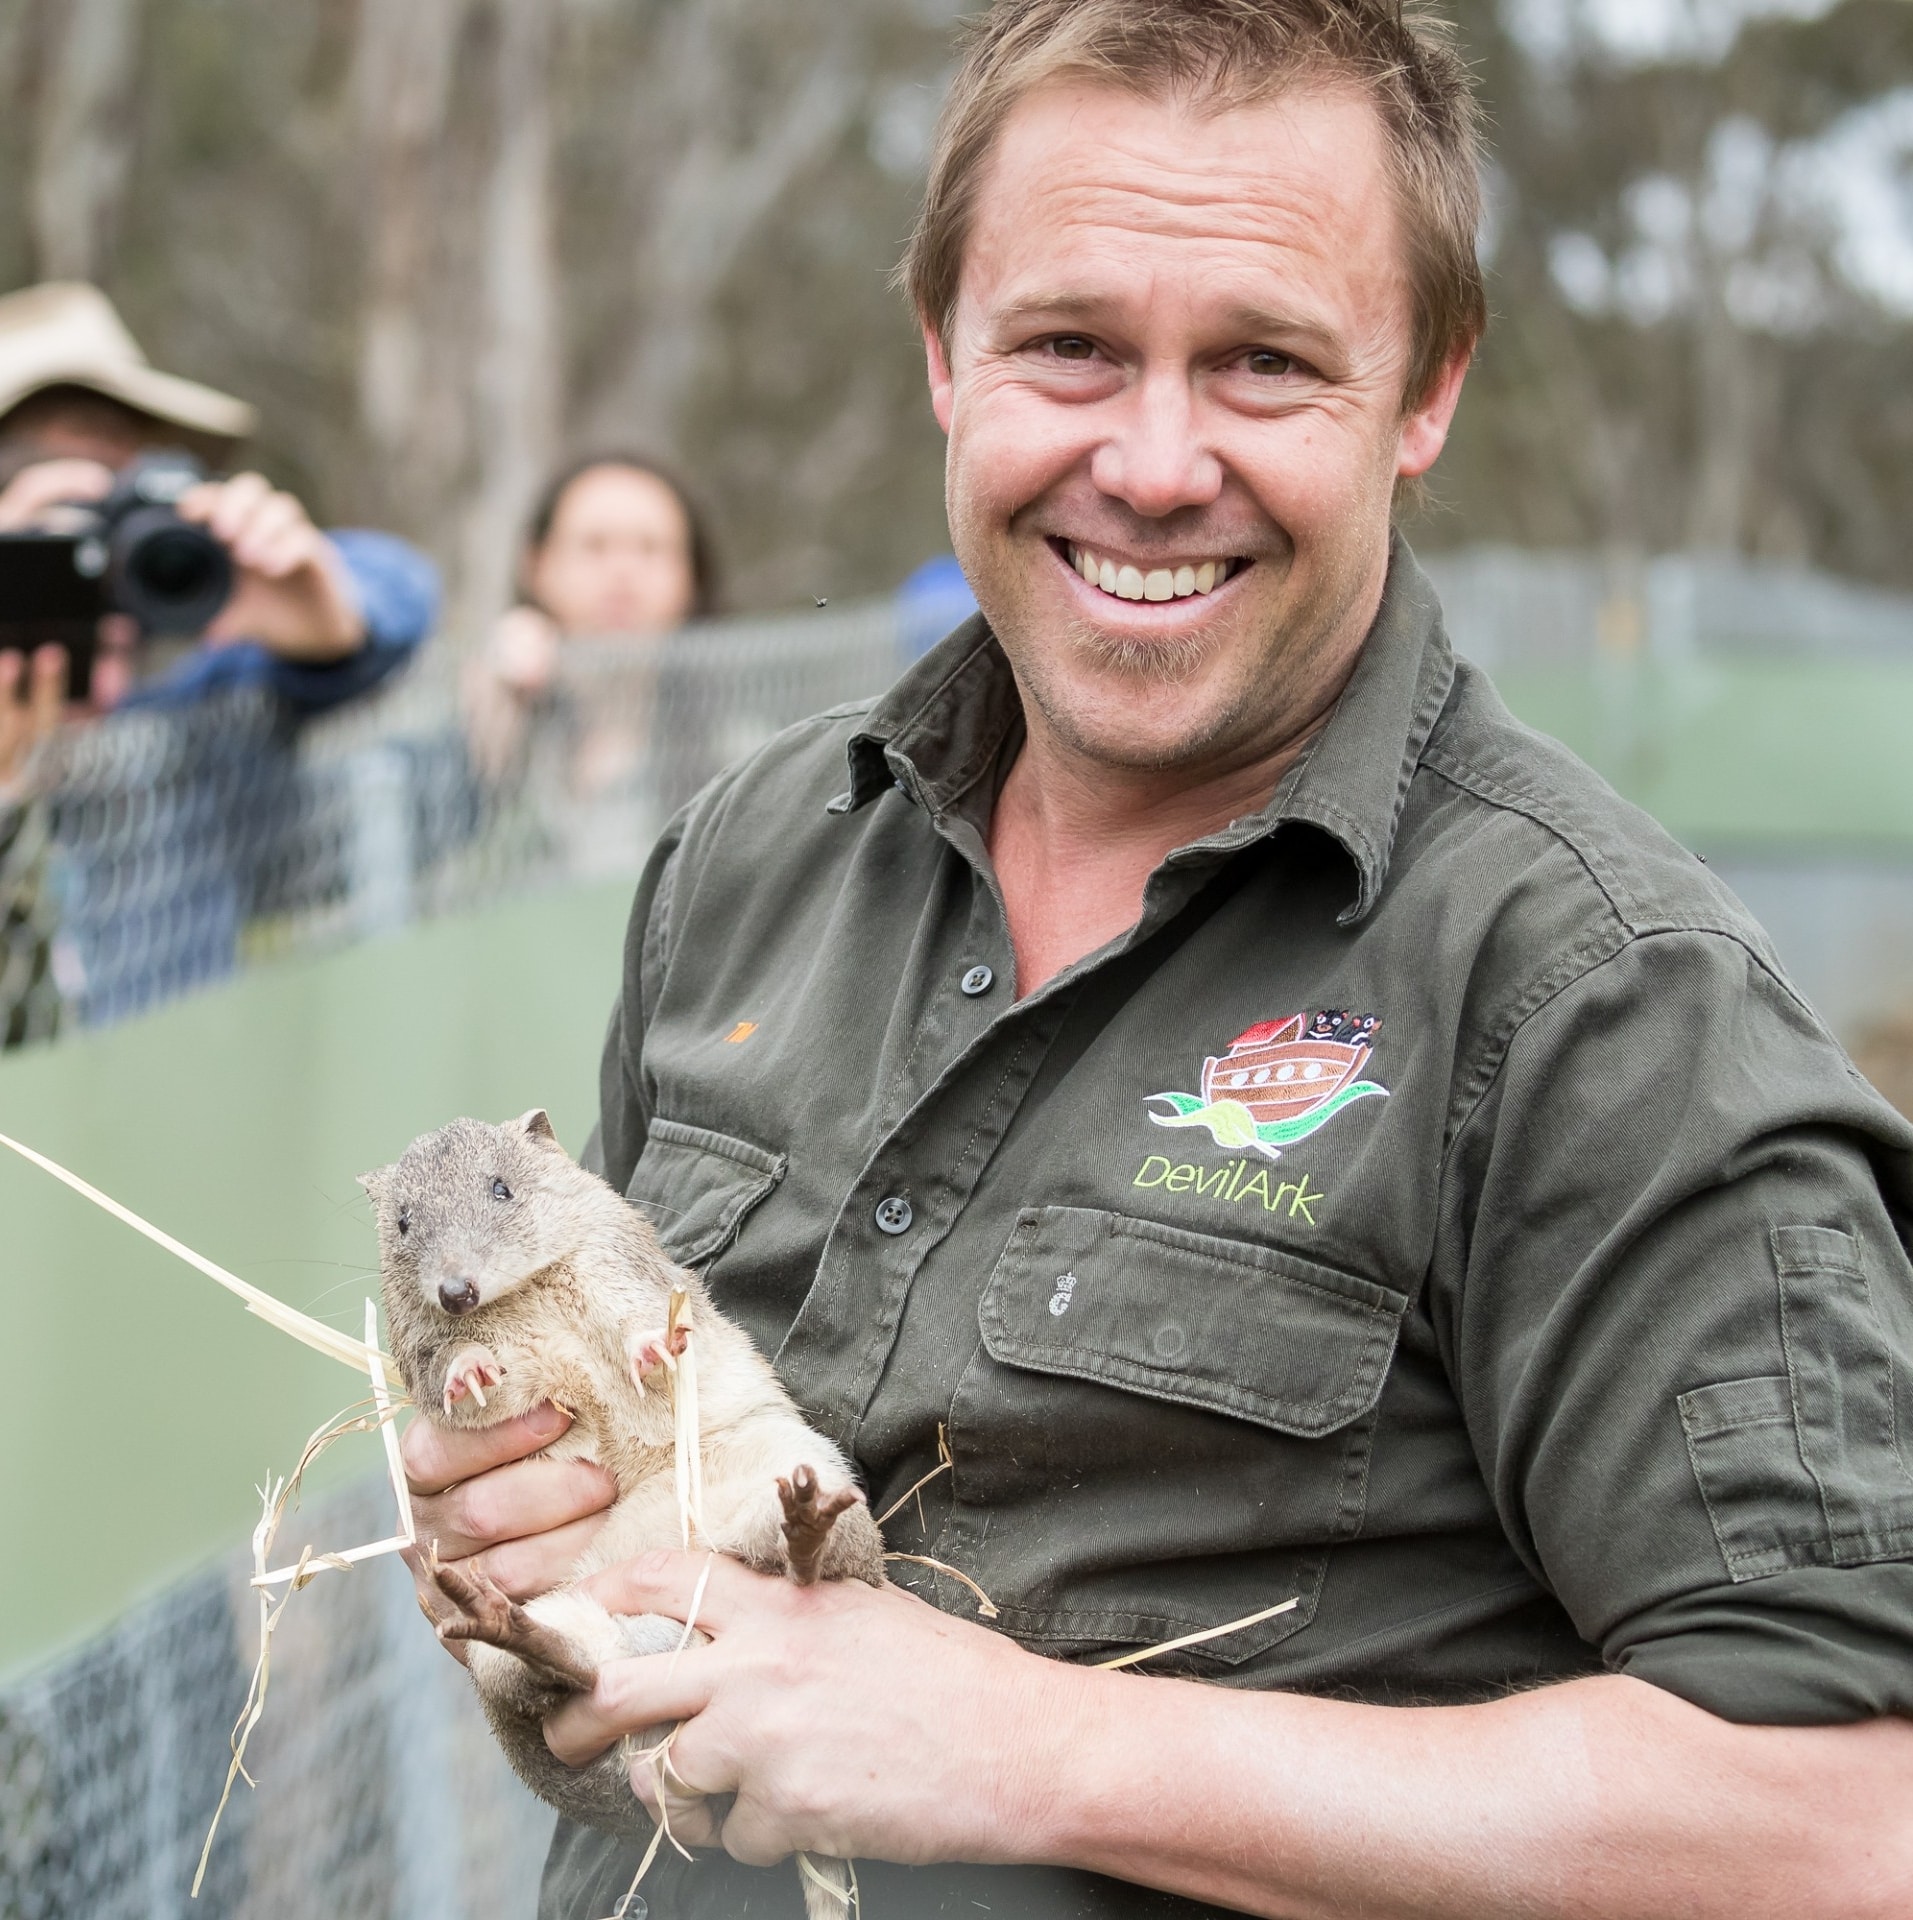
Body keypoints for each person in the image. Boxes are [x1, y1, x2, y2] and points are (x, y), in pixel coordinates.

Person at [402, 4, 1913, 1916]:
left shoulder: (1594, 998)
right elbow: (681, 1630)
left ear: (1423, 391)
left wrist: (1026, 1751)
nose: (1151, 458)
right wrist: (544, 1575)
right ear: (943, 350)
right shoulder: (752, 860)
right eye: (1068, 346)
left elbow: (1854, 1827)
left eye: (1264, 363)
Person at [0, 282, 440, 1022]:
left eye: (116, 497)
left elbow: (401, 585)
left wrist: (320, 610)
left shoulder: (184, 713)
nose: (85, 547)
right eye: (49, 508)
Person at [462, 453, 717, 784]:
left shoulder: (747, 751)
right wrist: (482, 746)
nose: (623, 573)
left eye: (650, 547)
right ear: (536, 565)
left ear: (692, 575)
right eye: (594, 546)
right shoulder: (479, 718)